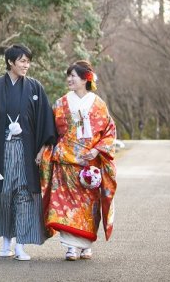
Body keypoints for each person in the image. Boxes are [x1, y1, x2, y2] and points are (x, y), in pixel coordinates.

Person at [0, 44, 57, 261]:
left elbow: (45, 122)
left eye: (28, 61)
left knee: (24, 195)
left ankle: (20, 244)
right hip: (1, 150)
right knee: (3, 195)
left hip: (26, 150)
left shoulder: (35, 88)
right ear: (11, 62)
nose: (26, 65)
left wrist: (41, 150)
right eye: (22, 61)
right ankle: (5, 241)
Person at [39, 60, 117, 261]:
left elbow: (109, 132)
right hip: (65, 161)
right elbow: (51, 132)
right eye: (69, 75)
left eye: (73, 75)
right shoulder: (61, 102)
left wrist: (97, 150)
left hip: (89, 164)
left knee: (88, 206)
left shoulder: (98, 104)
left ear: (85, 79)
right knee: (64, 204)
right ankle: (70, 247)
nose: (69, 79)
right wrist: (45, 151)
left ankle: (86, 245)